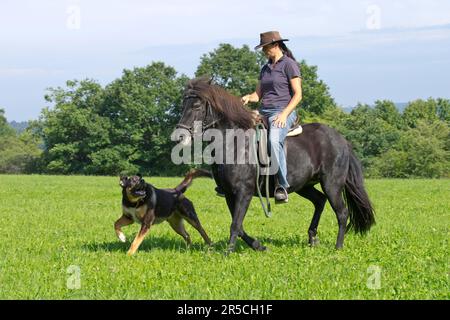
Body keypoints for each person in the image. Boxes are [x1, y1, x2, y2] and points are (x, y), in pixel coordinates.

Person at [242, 31, 302, 203]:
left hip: (283, 111)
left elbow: (298, 95)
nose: (263, 52)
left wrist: (284, 114)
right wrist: (248, 97)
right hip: (264, 111)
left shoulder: (289, 65)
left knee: (274, 141)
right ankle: (234, 180)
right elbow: (257, 94)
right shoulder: (265, 68)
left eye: (265, 48)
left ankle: (282, 186)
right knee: (238, 135)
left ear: (276, 45)